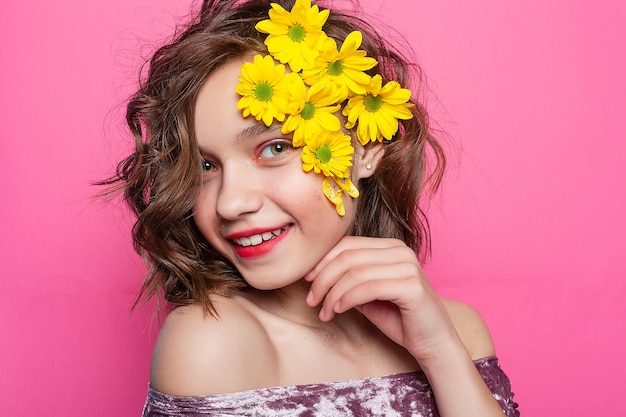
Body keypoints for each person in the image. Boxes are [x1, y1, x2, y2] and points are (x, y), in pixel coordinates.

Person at [107, 0, 519, 415]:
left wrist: (439, 351)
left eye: (275, 148)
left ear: (366, 149)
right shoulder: (211, 343)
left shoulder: (458, 331)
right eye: (205, 165)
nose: (231, 202)